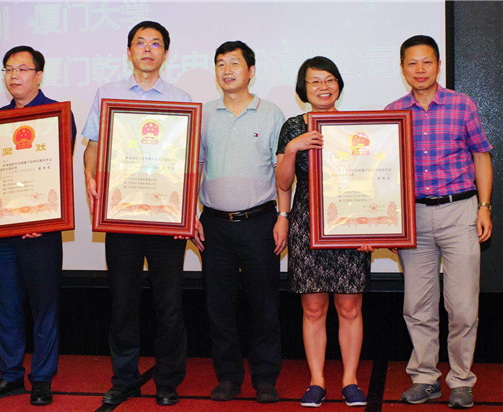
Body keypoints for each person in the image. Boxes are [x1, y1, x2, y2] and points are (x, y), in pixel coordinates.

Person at [82, 21, 191, 407]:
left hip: (165, 218)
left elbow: (187, 163)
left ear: (166, 53)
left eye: (155, 43)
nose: (147, 49)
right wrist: (90, 176)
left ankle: (167, 380)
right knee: (123, 303)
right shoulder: (108, 94)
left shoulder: (181, 100)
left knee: (169, 305)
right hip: (122, 216)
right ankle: (124, 378)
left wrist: (184, 209)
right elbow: (93, 146)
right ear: (129, 52)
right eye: (140, 43)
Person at [386, 35, 492, 409]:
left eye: (427, 62)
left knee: (462, 306)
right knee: (418, 307)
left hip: (459, 211)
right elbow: (385, 172)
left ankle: (461, 381)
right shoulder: (393, 111)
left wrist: (484, 207)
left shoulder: (462, 105)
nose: (420, 69)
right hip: (413, 216)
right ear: (402, 68)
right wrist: (389, 221)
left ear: (438, 65)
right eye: (412, 63)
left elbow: (481, 156)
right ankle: (425, 379)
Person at [0, 45, 76, 407]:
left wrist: (42, 218)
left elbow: (58, 171)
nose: (14, 75)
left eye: (22, 68)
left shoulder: (56, 115)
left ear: (39, 75)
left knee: (44, 307)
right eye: (8, 69)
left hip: (40, 232)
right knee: (7, 305)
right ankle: (10, 375)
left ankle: (42, 378)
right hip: (2, 233)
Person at [275, 56, 371, 408]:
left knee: (350, 308)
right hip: (307, 225)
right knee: (313, 309)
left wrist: (374, 227)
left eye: (329, 79)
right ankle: (316, 381)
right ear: (304, 89)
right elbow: (283, 182)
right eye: (314, 81)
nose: (323, 87)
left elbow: (373, 180)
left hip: (351, 225)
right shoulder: (292, 127)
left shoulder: (356, 126)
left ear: (339, 85)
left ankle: (350, 381)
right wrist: (293, 148)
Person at [193, 41, 286, 403]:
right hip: (214, 224)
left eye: (235, 63)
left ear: (251, 71)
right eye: (220, 64)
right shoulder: (203, 114)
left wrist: (283, 217)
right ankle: (229, 377)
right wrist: (189, 216)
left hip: (259, 221)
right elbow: (193, 168)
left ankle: (265, 378)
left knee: (264, 305)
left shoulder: (271, 113)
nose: (227, 70)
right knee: (219, 306)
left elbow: (282, 173)